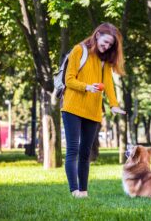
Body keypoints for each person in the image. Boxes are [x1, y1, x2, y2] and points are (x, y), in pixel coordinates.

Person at [61, 22, 126, 198]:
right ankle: (74, 191)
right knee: (73, 150)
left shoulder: (104, 60)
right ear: (97, 35)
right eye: (105, 43)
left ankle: (83, 191)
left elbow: (109, 84)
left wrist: (114, 105)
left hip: (93, 110)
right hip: (72, 107)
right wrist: (87, 87)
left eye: (110, 46)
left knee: (85, 153)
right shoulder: (79, 50)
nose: (106, 47)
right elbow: (69, 80)